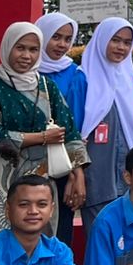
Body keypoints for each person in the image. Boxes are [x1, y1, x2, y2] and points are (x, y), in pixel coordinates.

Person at [0, 23, 89, 238]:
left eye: (33, 49)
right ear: (7, 47)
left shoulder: (46, 86)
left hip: (42, 175)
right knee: (1, 232)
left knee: (41, 234)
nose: (26, 56)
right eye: (20, 48)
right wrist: (43, 137)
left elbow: (69, 131)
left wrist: (79, 174)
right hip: (3, 176)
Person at [78, 17, 133, 232]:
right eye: (115, 40)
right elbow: (75, 133)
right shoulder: (83, 80)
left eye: (127, 42)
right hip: (96, 182)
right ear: (102, 39)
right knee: (99, 241)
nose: (121, 47)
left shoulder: (131, 84)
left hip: (127, 183)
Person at [35, 12, 87, 245]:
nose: (62, 44)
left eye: (67, 39)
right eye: (55, 37)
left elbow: (75, 127)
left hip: (62, 163)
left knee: (60, 229)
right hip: (27, 161)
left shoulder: (75, 75)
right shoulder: (26, 70)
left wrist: (74, 174)